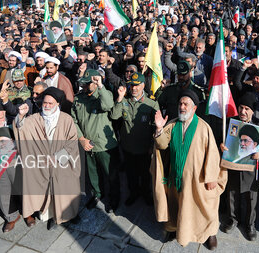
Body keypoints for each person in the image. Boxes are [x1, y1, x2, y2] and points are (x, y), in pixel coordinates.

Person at [151, 90, 227, 250]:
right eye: (180, 104)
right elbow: (162, 144)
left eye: (186, 104)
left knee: (205, 207)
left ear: (194, 108)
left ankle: (208, 234)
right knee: (176, 206)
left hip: (197, 181)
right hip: (175, 179)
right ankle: (174, 229)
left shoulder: (204, 128)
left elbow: (213, 154)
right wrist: (159, 129)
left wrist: (212, 177)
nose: (182, 107)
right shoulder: (172, 124)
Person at [13, 87, 81, 230]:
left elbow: (72, 142)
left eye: (51, 103)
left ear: (58, 104)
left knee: (65, 191)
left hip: (63, 163)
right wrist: (21, 116)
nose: (47, 106)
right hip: (42, 165)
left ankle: (68, 215)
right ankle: (52, 217)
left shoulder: (66, 119)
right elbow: (21, 130)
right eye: (45, 103)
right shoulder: (34, 119)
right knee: (47, 192)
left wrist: (57, 158)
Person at [70, 69, 120, 213]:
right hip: (87, 144)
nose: (84, 87)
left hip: (104, 144)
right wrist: (81, 138)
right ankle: (97, 194)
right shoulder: (78, 98)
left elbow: (108, 105)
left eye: (87, 84)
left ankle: (114, 199)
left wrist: (100, 86)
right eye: (83, 84)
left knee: (111, 174)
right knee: (93, 173)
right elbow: (73, 120)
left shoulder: (104, 95)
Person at [220, 92, 259, 241]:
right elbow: (222, 140)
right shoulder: (230, 122)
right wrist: (222, 146)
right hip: (233, 166)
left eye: (247, 108)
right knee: (232, 194)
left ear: (252, 110)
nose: (243, 111)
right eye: (241, 107)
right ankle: (233, 219)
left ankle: (250, 225)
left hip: (251, 170)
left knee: (251, 199)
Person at [111, 72, 160, 206]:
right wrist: (120, 98)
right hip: (127, 147)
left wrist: (152, 146)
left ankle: (146, 193)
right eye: (132, 85)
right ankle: (134, 193)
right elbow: (114, 116)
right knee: (130, 174)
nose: (134, 88)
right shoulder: (125, 101)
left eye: (137, 85)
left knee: (145, 174)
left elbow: (156, 127)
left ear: (143, 85)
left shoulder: (151, 104)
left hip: (144, 149)